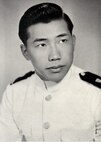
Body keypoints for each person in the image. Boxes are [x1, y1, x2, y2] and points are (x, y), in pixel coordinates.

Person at [0, 2, 101, 142]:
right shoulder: (14, 94)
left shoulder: (96, 93)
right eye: (42, 44)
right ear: (25, 52)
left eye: (62, 41)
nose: (55, 56)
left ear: (73, 42)